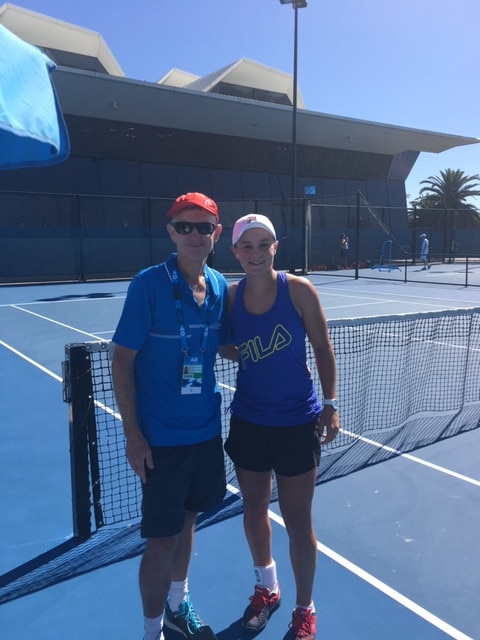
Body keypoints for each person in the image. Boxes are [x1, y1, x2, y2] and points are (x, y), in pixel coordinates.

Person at [111, 192, 230, 640]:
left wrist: (283, 343)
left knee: (189, 520)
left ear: (217, 234)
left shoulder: (218, 286)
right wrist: (133, 435)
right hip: (160, 440)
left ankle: (179, 604)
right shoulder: (148, 284)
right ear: (171, 232)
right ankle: (151, 630)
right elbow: (122, 360)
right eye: (185, 226)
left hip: (205, 433)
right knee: (161, 540)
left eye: (204, 227)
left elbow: (225, 346)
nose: (195, 235)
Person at [219, 214, 339, 640]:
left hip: (297, 422)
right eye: (246, 246)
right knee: (252, 509)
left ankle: (304, 609)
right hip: (249, 420)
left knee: (298, 519)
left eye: (262, 244)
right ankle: (266, 588)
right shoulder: (229, 299)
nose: (255, 252)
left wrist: (330, 403)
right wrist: (253, 356)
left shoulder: (299, 291)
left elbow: (323, 347)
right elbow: (226, 345)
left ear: (276, 246)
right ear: (234, 251)